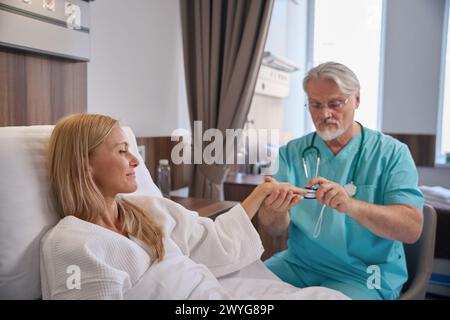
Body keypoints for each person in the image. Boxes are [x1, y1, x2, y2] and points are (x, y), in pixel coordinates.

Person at [41, 113, 349, 300]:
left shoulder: (147, 209)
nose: (136, 161)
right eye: (123, 152)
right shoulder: (72, 245)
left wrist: (259, 196)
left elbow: (211, 242)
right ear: (85, 164)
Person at [258, 62, 424, 300]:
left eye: (335, 104)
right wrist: (273, 210)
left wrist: (351, 205)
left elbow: (411, 229)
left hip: (363, 275)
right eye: (315, 105)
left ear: (356, 100)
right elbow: (273, 229)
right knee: (235, 290)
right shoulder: (292, 152)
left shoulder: (392, 154)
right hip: (298, 265)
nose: (324, 114)